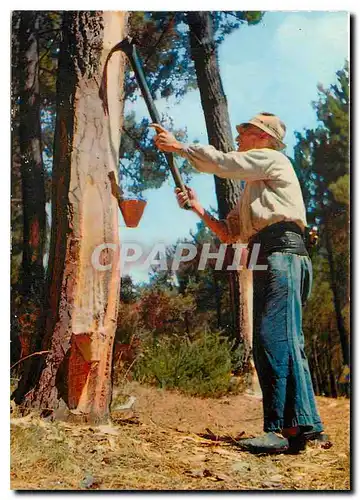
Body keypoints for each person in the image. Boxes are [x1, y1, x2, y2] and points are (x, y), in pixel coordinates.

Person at [150, 112, 327, 454]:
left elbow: (224, 162)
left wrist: (180, 147)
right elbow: (231, 234)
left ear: (263, 137)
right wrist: (198, 210)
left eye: (244, 132)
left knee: (273, 336)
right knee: (287, 338)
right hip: (273, 256)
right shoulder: (254, 190)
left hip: (282, 254)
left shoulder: (272, 159)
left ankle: (277, 430)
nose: (238, 137)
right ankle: (307, 427)